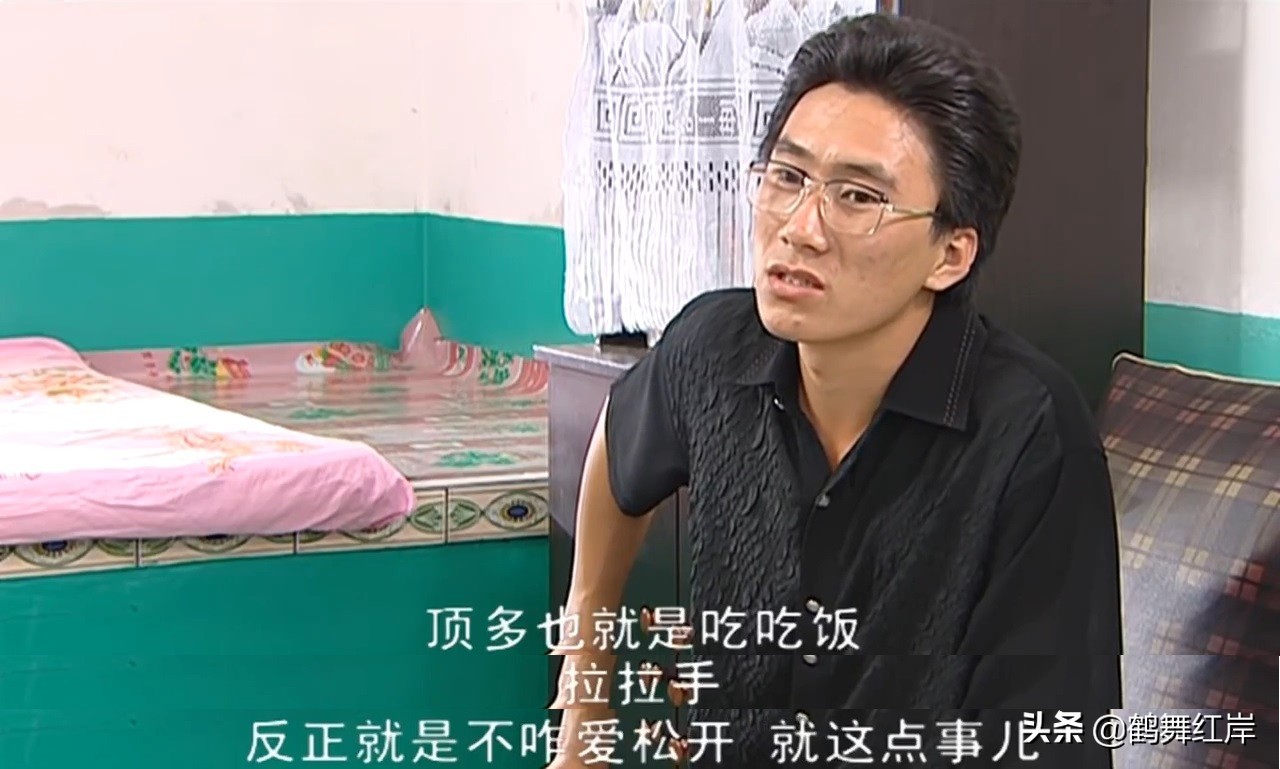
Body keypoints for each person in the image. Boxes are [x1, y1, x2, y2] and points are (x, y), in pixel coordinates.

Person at [548, 12, 1122, 768]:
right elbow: (618, 448)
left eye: (856, 197)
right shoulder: (713, 346)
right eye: (787, 177)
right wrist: (584, 697)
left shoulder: (1031, 437)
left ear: (950, 254)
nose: (800, 227)